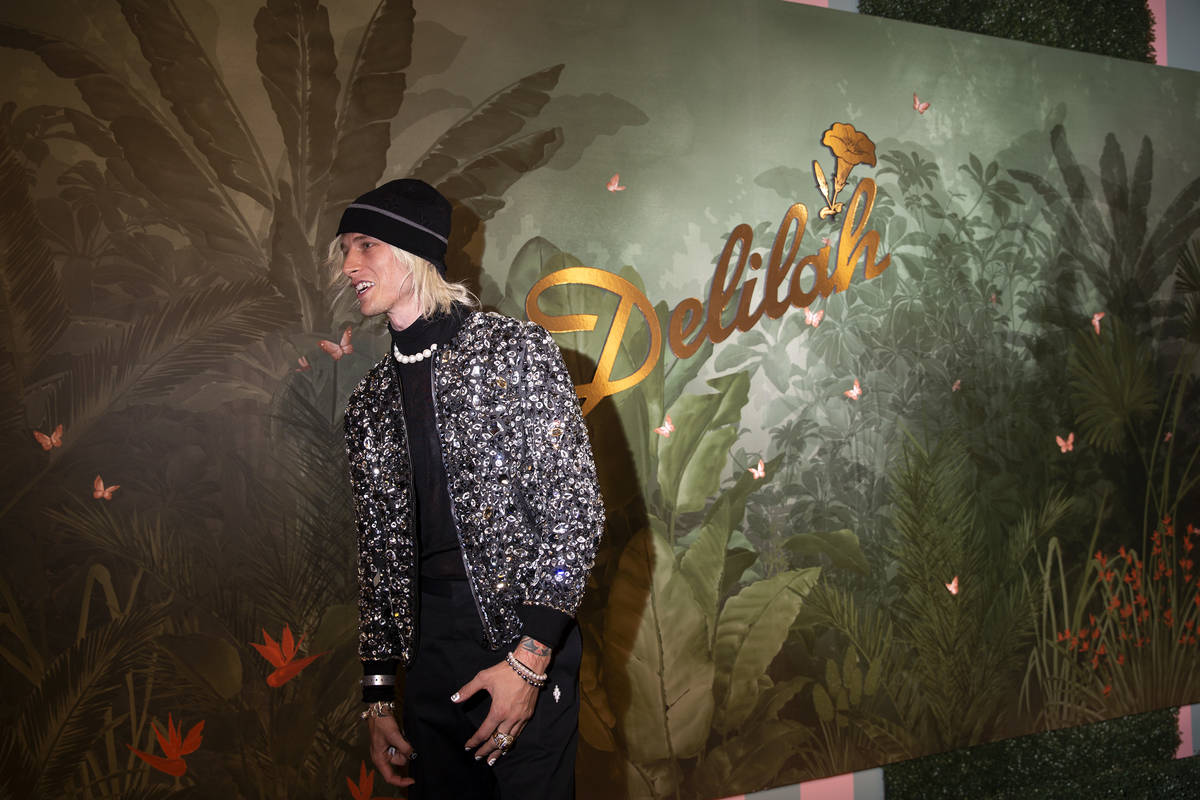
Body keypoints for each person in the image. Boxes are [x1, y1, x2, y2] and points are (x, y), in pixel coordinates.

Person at [333, 178, 604, 799]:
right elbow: (378, 559)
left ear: (413, 250)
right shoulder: (370, 403)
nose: (349, 264)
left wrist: (529, 662)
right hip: (429, 661)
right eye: (346, 249)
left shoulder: (514, 353)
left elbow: (575, 518)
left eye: (366, 244)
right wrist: (379, 698)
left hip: (523, 642)